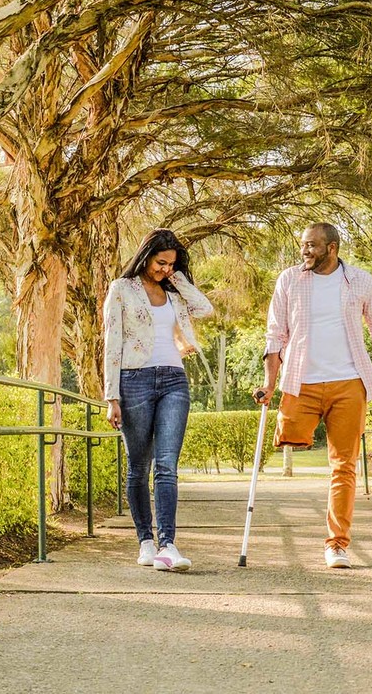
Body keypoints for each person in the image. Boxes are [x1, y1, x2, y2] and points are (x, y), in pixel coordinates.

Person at [253, 222, 372, 569]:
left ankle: (336, 544)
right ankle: (297, 433)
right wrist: (269, 384)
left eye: (311, 246)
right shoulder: (289, 280)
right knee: (289, 437)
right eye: (303, 245)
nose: (304, 251)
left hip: (349, 383)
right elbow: (275, 336)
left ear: (332, 247)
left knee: (343, 467)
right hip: (300, 383)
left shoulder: (361, 281)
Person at [104, 229, 214, 572]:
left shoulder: (175, 291)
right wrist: (112, 396)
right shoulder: (121, 289)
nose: (164, 269)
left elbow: (205, 308)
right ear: (146, 255)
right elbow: (112, 342)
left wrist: (178, 278)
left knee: (167, 465)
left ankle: (168, 545)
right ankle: (146, 541)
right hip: (133, 380)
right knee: (139, 467)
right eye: (161, 262)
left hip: (173, 379)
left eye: (171, 264)